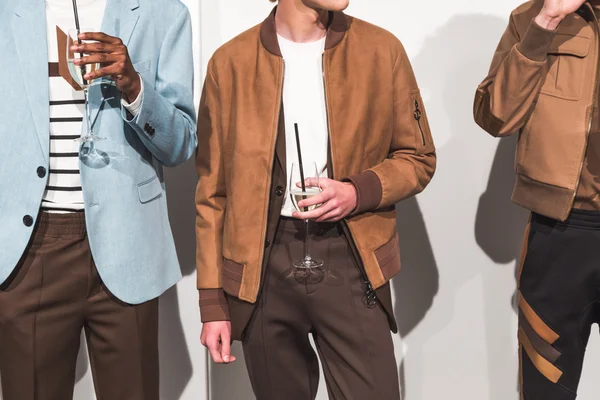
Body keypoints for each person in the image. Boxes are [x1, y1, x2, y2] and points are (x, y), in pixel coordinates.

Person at [196, 0, 436, 398]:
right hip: (263, 270)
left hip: (350, 255)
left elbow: (419, 158)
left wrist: (358, 191)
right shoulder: (230, 64)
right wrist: (212, 303)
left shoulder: (381, 50)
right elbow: (212, 193)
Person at [0, 0, 196, 399]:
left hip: (129, 247)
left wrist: (136, 88)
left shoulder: (163, 13)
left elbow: (181, 145)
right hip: (30, 248)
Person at [474, 0, 600, 398]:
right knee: (546, 387)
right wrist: (546, 21)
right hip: (560, 231)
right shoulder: (531, 17)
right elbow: (496, 115)